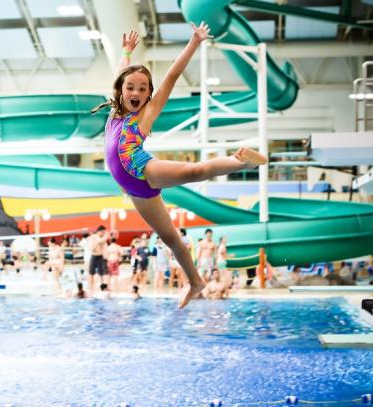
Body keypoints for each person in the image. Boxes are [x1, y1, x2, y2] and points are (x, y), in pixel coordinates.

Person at [92, 26, 267, 308]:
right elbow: (120, 71)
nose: (136, 92)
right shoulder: (114, 111)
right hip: (134, 190)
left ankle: (240, 159)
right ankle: (196, 282)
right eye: (130, 87)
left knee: (193, 171)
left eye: (143, 88)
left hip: (143, 170)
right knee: (170, 237)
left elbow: (172, 76)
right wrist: (125, 51)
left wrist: (195, 41)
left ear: (149, 94)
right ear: (121, 90)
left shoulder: (146, 113)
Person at [87, 226, 109, 290]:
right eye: (103, 232)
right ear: (100, 231)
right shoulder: (94, 237)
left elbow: (102, 242)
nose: (104, 234)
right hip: (94, 256)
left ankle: (102, 286)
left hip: (100, 256)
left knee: (101, 273)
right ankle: (91, 286)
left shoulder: (100, 238)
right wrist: (106, 235)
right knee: (91, 273)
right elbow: (100, 241)